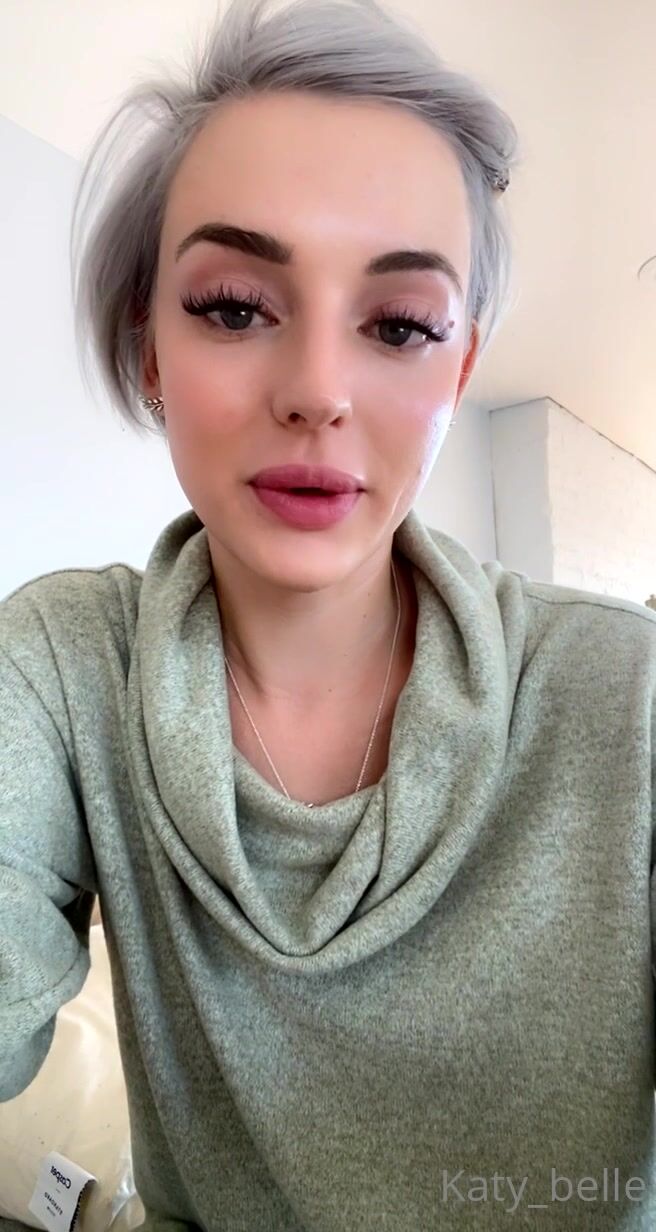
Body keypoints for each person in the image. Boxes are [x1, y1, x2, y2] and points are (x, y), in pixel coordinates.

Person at [1, 0, 655, 1228]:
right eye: (233, 306)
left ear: (457, 371)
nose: (315, 390)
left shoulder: (627, 694)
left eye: (399, 325)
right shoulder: (59, 670)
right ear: (150, 347)